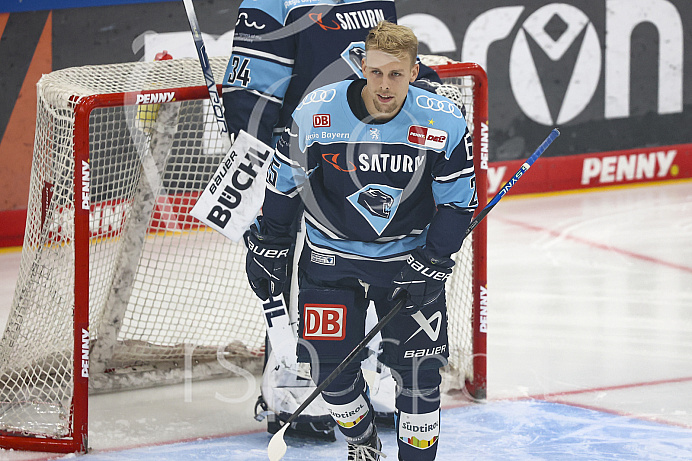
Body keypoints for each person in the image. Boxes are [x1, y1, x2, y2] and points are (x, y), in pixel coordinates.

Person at [245, 20, 477, 461]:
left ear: (413, 72)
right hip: (332, 257)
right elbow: (284, 187)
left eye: (396, 74)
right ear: (362, 66)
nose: (384, 85)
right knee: (327, 373)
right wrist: (271, 243)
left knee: (419, 377)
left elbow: (458, 205)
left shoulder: (442, 120)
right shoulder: (317, 113)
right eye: (376, 72)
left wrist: (433, 259)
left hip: (409, 258)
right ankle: (363, 439)